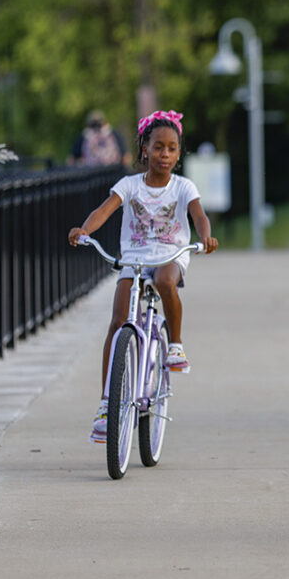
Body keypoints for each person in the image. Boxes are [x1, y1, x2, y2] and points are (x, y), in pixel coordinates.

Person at [67, 110, 218, 443]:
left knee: (165, 281)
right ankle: (108, 403)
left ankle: (175, 346)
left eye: (172, 148)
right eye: (158, 147)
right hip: (134, 259)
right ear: (144, 150)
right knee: (119, 320)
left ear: (178, 154)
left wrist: (205, 236)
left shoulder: (183, 186)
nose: (164, 154)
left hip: (170, 255)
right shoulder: (130, 185)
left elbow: (199, 215)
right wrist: (85, 230)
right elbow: (105, 209)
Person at [68, 110, 133, 167]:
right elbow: (127, 158)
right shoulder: (84, 136)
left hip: (96, 174)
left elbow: (71, 160)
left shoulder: (84, 136)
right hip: (105, 173)